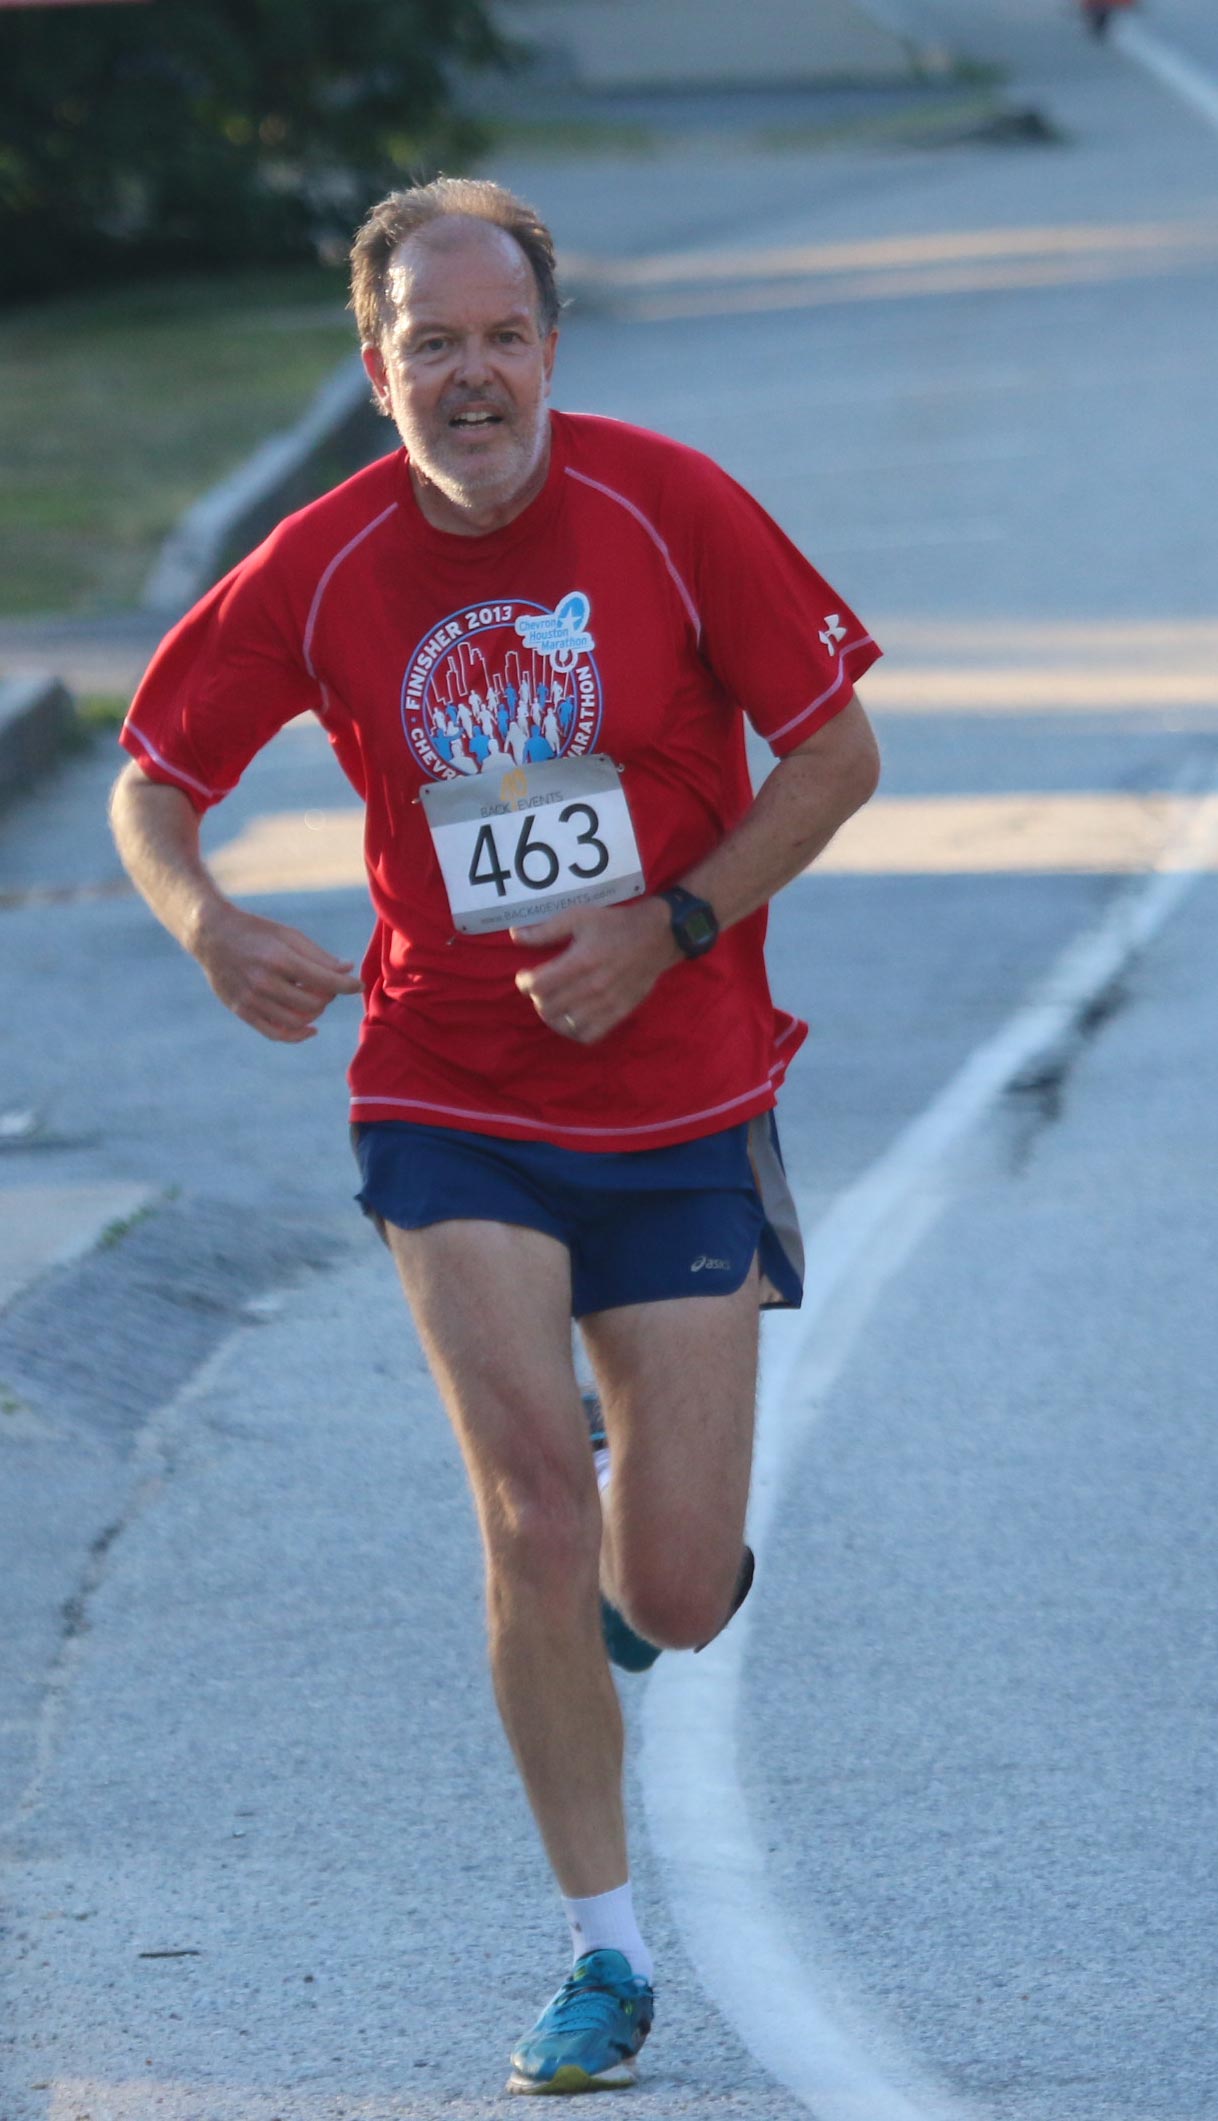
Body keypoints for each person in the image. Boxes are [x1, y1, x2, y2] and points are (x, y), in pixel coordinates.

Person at [109, 175, 882, 2096]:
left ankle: (633, 1553)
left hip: (682, 1094)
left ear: (552, 346)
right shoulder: (323, 562)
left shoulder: (667, 507)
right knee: (530, 1509)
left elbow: (837, 751)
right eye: (429, 343)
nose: (471, 375)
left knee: (671, 1586)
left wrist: (672, 922)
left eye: (502, 337)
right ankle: (604, 1954)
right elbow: (153, 777)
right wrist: (206, 922)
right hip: (446, 1089)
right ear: (375, 367)